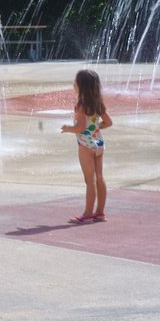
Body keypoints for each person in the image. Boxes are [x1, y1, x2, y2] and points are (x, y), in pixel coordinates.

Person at [61, 69, 113, 224]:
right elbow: (109, 122)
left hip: (85, 145)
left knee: (89, 180)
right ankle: (100, 212)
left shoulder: (80, 105)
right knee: (100, 177)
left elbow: (80, 127)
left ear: (81, 86)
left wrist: (68, 128)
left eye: (75, 82)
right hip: (99, 143)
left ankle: (87, 213)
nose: (73, 84)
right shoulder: (98, 103)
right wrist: (96, 128)